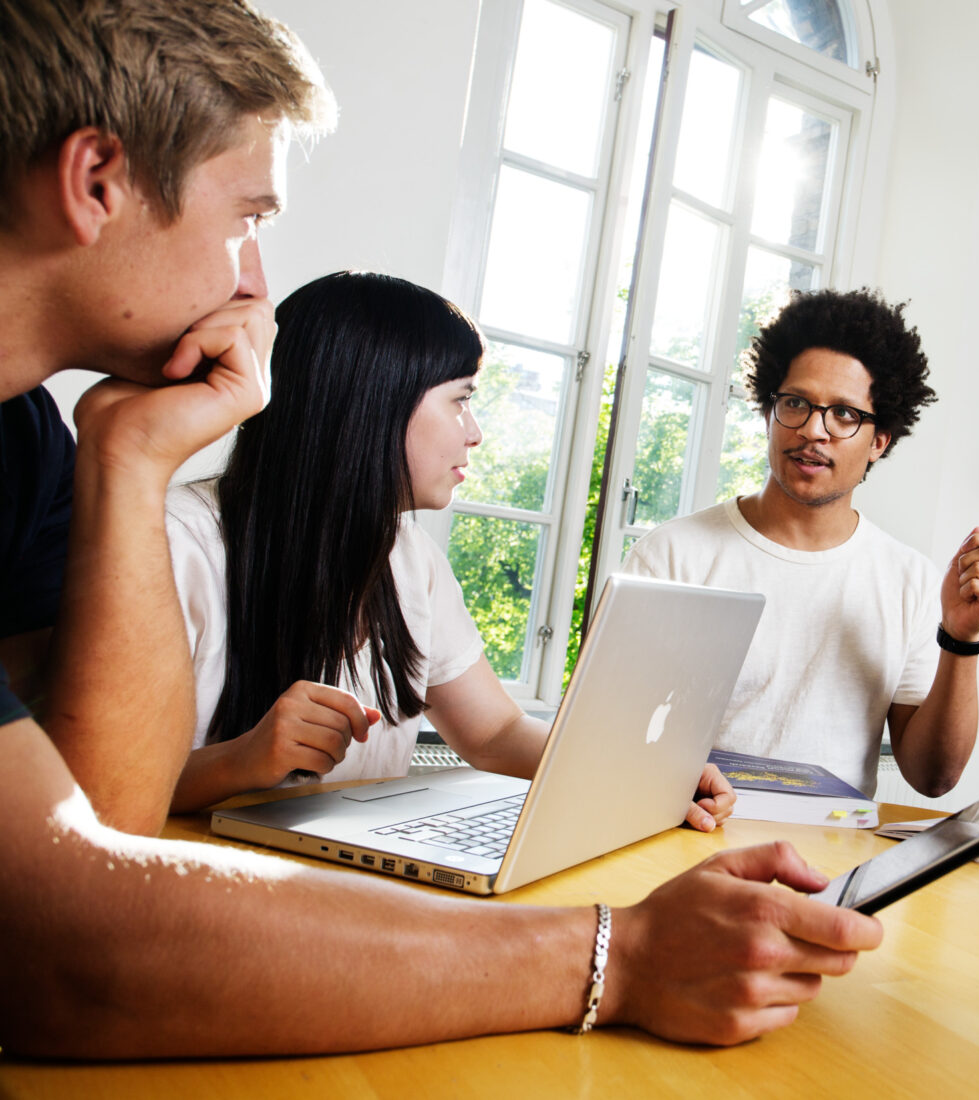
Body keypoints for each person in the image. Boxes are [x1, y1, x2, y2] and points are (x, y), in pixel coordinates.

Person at [1, 0, 878, 1057]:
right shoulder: (162, 522)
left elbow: (91, 836)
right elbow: (61, 940)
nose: (252, 283)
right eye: (248, 218)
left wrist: (124, 456)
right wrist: (624, 956)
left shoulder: (35, 451)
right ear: (97, 181)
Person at [165, 270, 732, 830]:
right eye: (460, 399)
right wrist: (241, 760)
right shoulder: (178, 544)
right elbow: (97, 789)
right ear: (372, 402)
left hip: (341, 887)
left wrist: (641, 773)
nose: (475, 432)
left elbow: (494, 735)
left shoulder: (409, 557)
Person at [622, 288, 979, 799]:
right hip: (687, 839)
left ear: (879, 441)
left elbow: (933, 778)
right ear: (768, 413)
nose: (813, 430)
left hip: (831, 863)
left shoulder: (909, 581)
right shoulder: (672, 556)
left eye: (845, 414)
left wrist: (961, 638)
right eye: (796, 403)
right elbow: (617, 735)